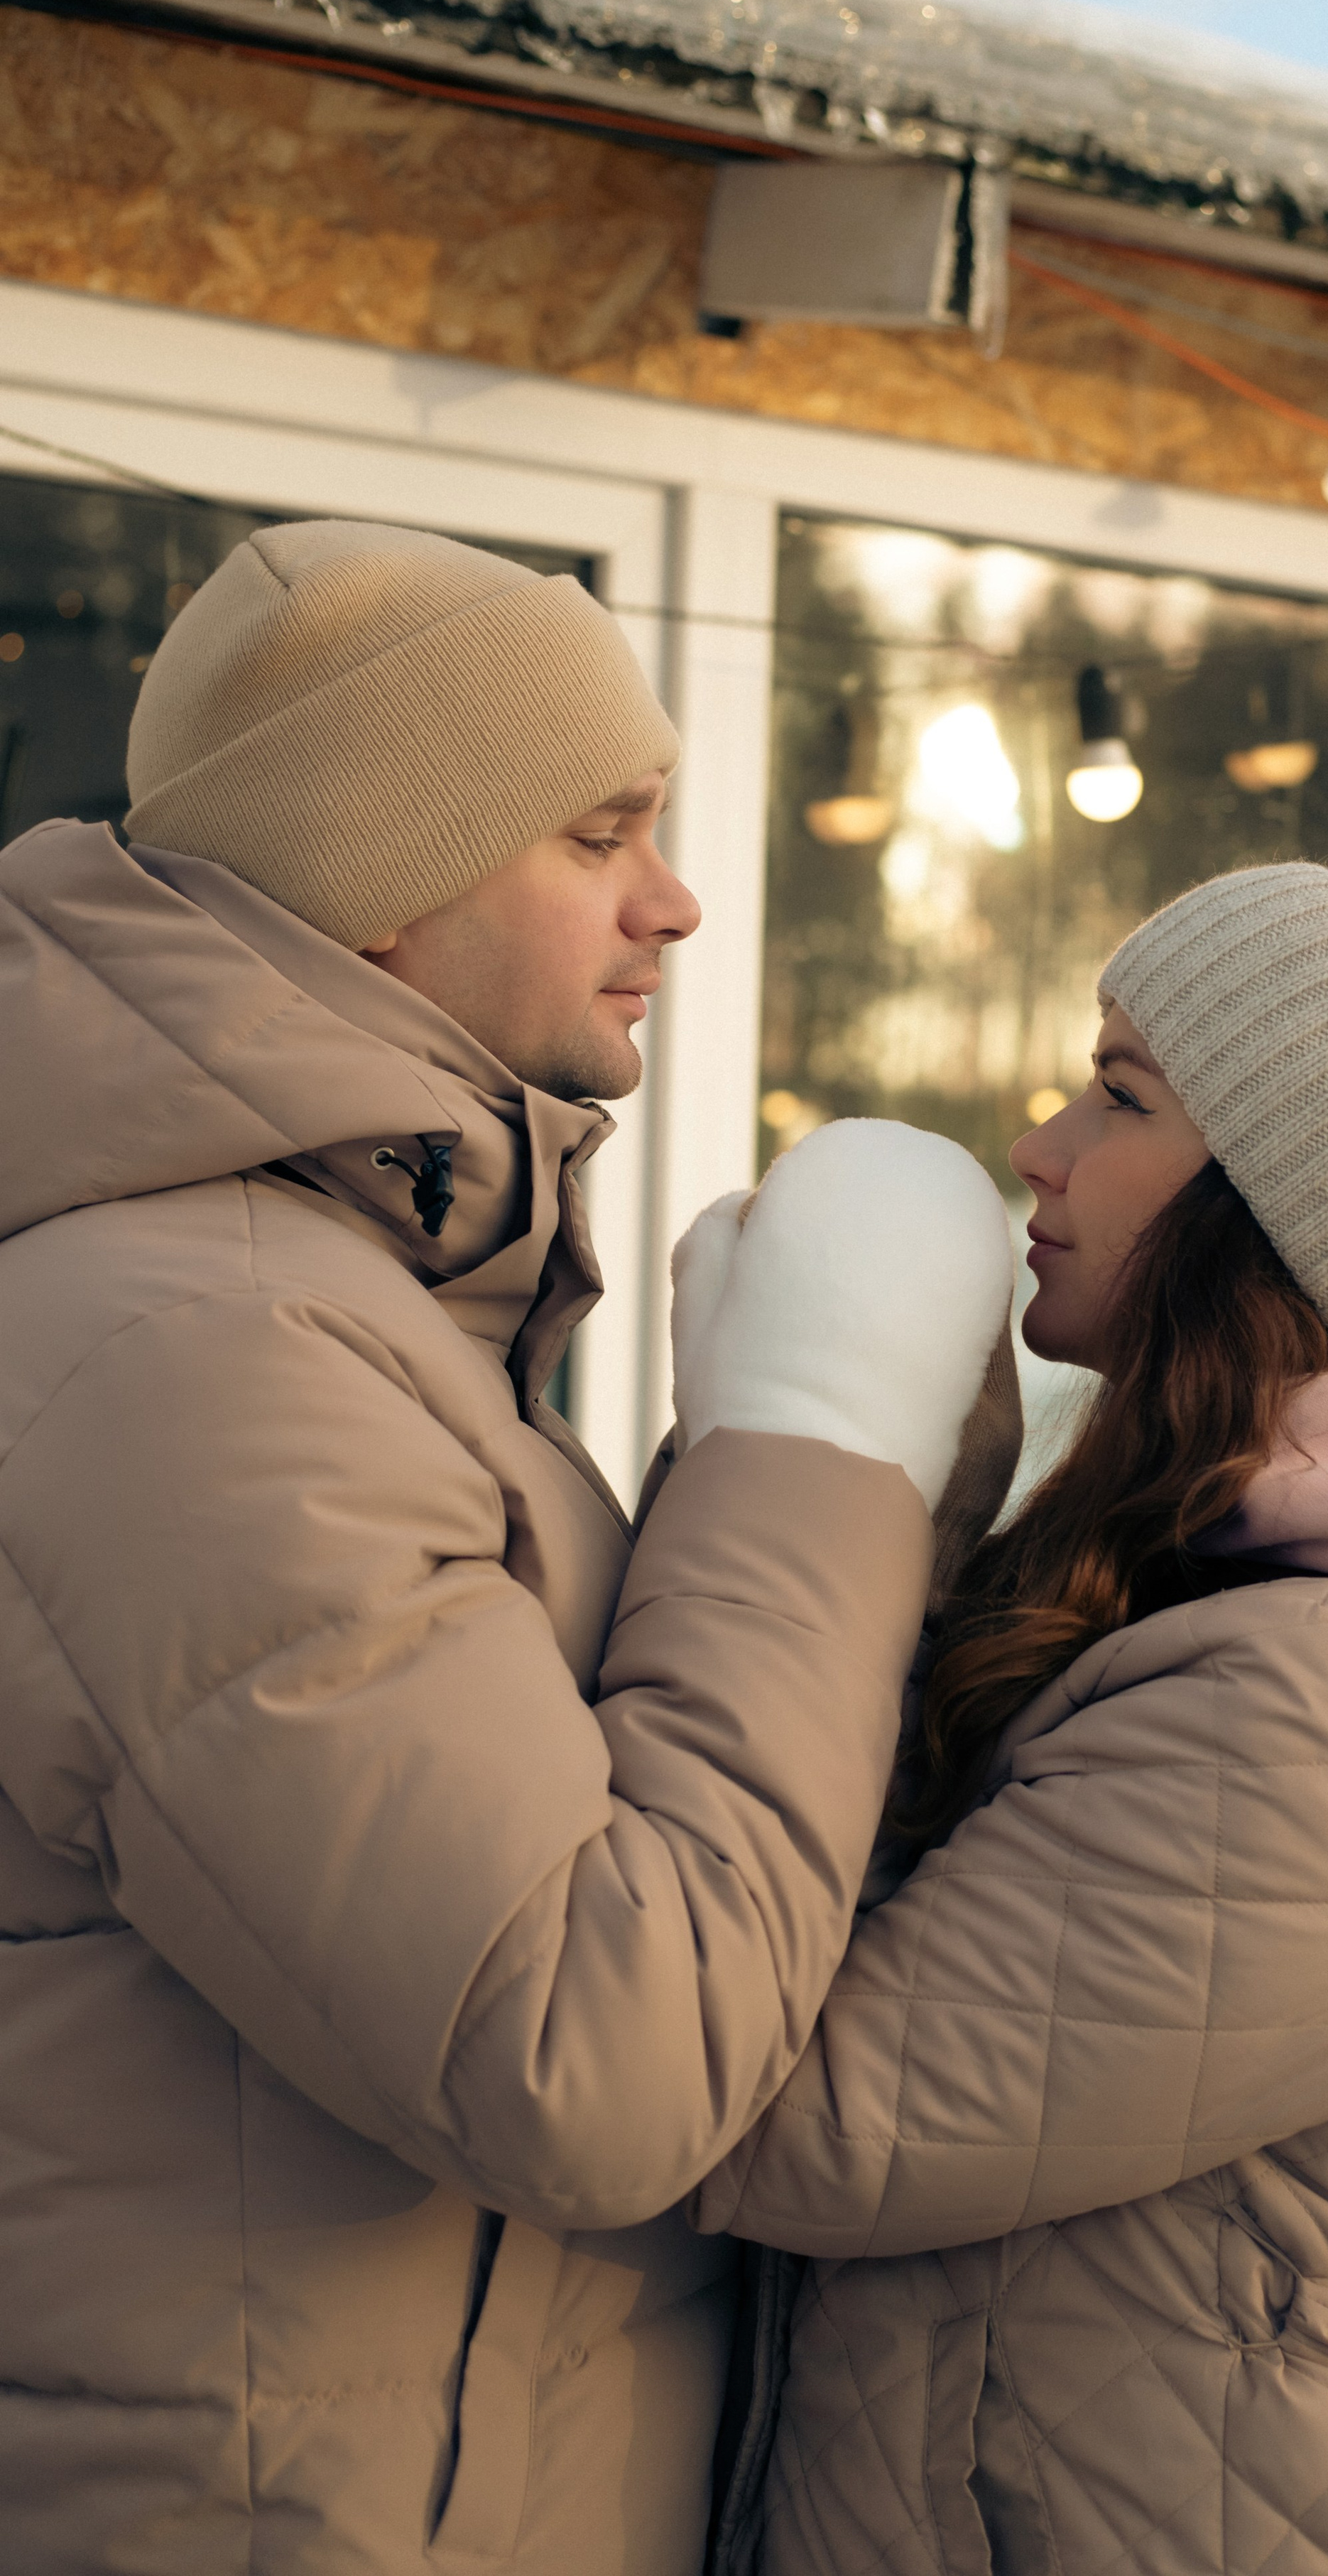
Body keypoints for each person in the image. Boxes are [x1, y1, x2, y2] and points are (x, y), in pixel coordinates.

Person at [0, 518, 1018, 2575]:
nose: (676, 899)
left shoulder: (365, 1308)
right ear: (381, 883)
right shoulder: (200, 1358)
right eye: (598, 834)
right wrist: (812, 1462)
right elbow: (590, 2051)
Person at [695, 857, 1328, 2576]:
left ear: (1282, 1208)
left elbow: (776, 2118)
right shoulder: (1202, 1585)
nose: (1040, 1146)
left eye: (1119, 1095)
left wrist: (803, 1480)